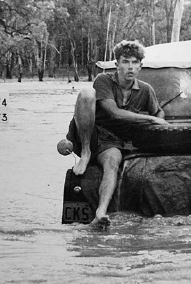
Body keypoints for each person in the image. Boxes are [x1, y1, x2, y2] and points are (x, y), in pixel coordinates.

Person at [66, 40, 168, 227]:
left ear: (140, 66)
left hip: (114, 142)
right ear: (117, 64)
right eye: (125, 61)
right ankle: (86, 153)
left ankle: (101, 212)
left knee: (113, 161)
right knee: (87, 93)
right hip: (90, 133)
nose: (130, 67)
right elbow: (113, 112)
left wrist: (157, 123)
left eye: (134, 62)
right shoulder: (104, 80)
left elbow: (158, 113)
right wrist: (151, 119)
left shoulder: (145, 89)